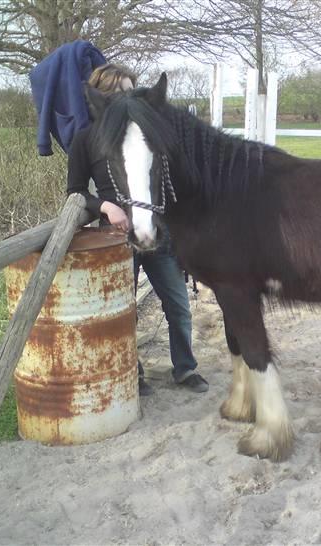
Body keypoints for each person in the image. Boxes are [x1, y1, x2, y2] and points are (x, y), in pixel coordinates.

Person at [66, 63, 209, 395]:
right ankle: (136, 372)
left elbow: (167, 182)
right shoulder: (87, 139)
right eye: (118, 91)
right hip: (115, 238)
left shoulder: (148, 134)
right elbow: (75, 191)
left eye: (131, 90)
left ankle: (185, 368)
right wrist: (105, 205)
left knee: (178, 305)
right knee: (123, 311)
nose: (126, 98)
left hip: (158, 232)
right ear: (102, 96)